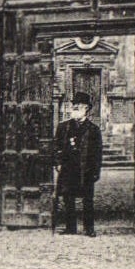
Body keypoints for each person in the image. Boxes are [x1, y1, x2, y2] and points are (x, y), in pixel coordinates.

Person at [53, 91, 103, 236]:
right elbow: (56, 146)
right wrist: (57, 162)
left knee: (88, 199)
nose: (75, 108)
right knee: (68, 197)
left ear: (86, 109)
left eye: (79, 106)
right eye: (74, 106)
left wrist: (96, 171)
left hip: (85, 168)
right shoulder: (63, 127)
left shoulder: (94, 130)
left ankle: (89, 228)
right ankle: (71, 227)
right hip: (69, 168)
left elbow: (98, 153)